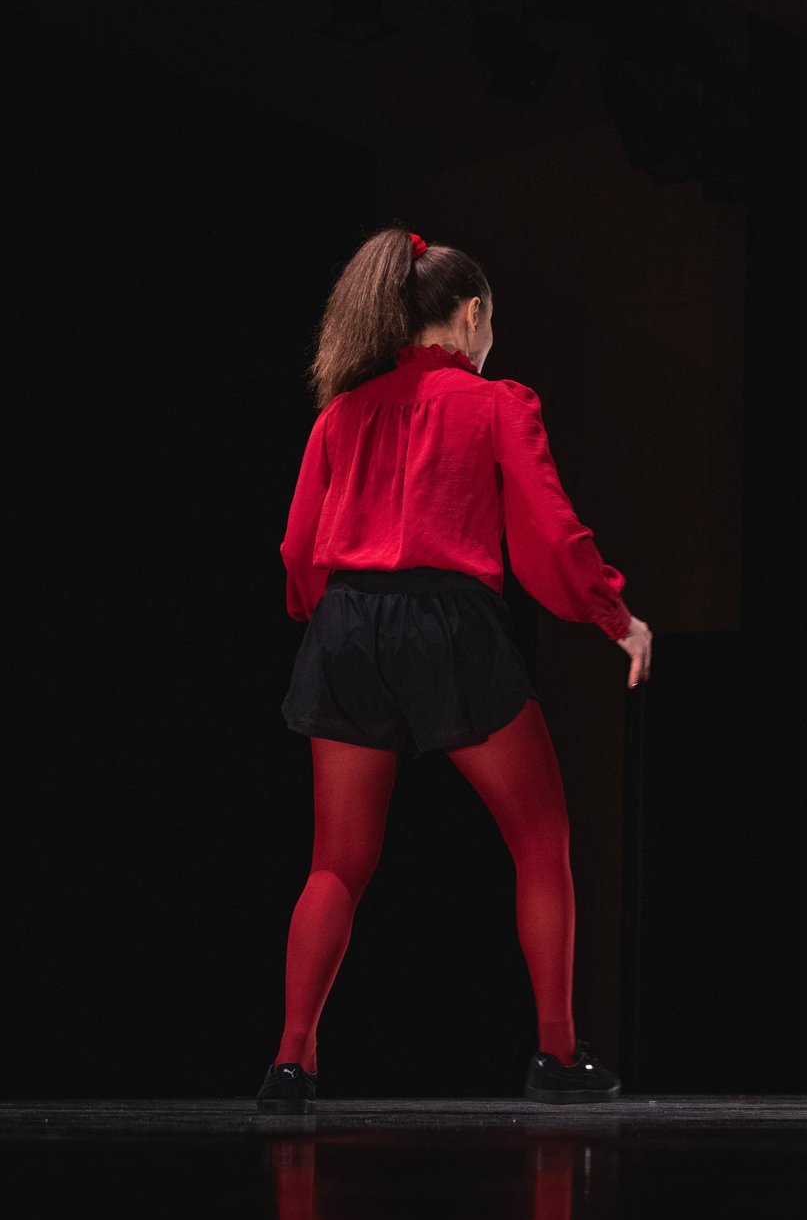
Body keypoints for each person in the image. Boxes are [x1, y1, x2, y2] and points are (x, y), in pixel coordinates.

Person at [260, 228, 652, 1112]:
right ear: (472, 315)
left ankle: (291, 1063)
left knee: (336, 862)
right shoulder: (496, 403)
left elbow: (297, 546)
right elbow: (552, 531)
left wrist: (336, 628)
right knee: (540, 838)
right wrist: (615, 616)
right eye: (491, 322)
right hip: (449, 624)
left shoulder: (339, 414)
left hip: (348, 625)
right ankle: (556, 1052)